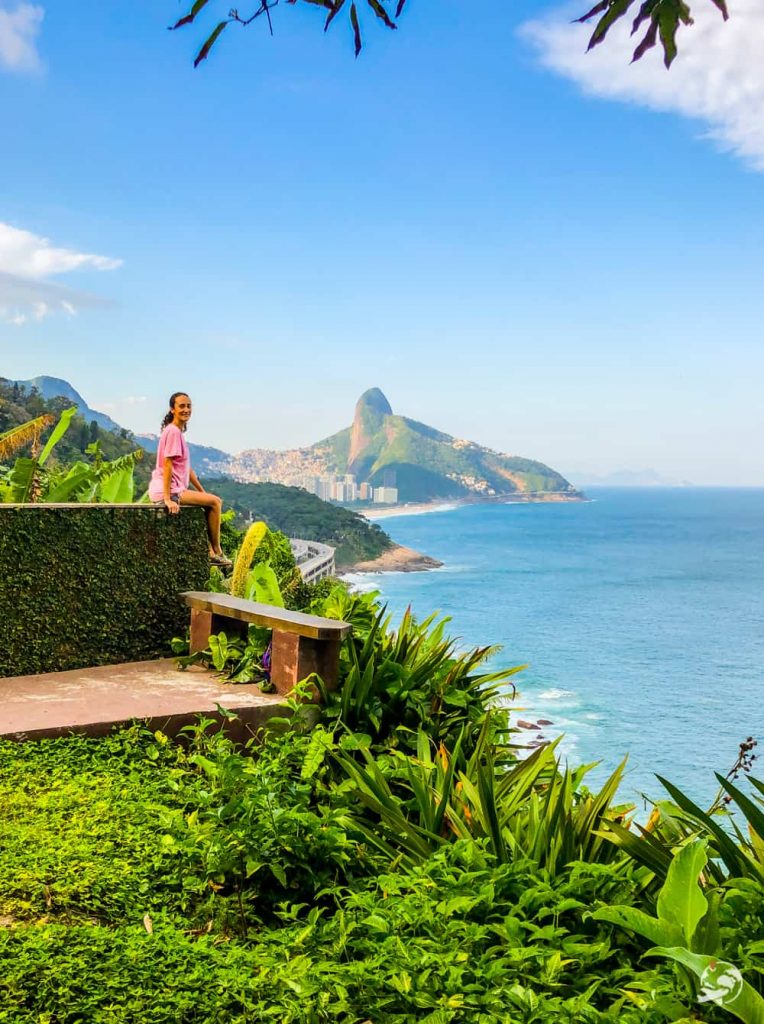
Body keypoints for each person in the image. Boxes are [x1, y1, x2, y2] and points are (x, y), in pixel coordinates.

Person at [148, 391, 232, 567]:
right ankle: (216, 552)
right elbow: (168, 464)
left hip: (175, 489)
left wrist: (202, 492)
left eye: (188, 406)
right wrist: (167, 499)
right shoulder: (173, 432)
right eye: (182, 406)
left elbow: (187, 469)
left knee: (209, 502)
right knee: (216, 502)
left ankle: (210, 550)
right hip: (170, 491)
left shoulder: (176, 432)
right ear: (173, 409)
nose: (186, 409)